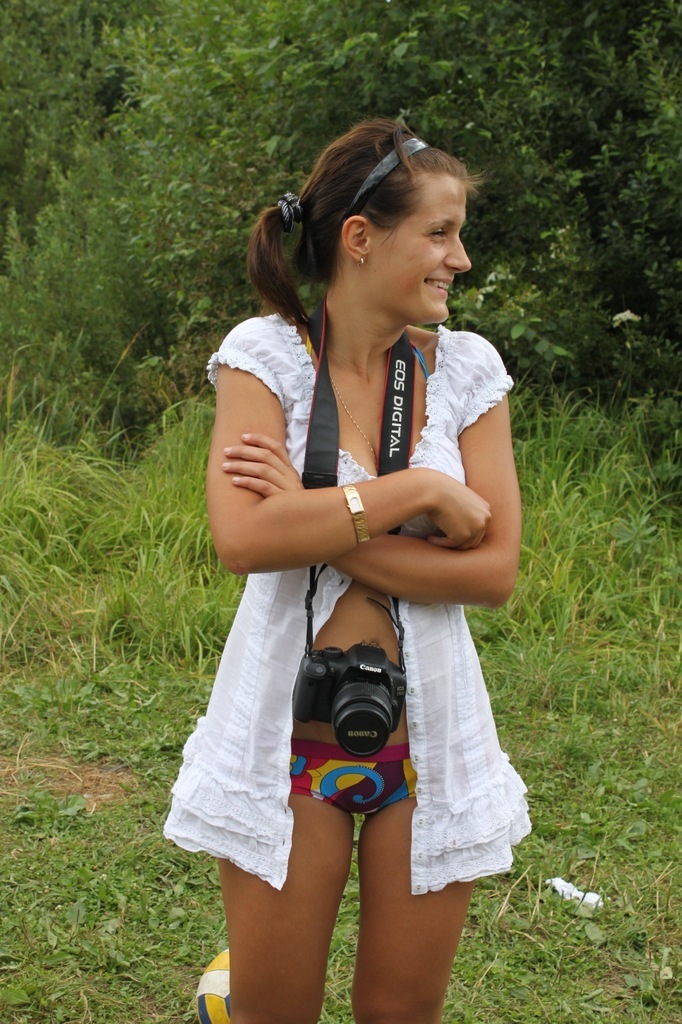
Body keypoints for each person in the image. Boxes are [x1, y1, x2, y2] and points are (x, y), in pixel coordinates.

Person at [164, 117, 530, 1024]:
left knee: (402, 1015)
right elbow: (244, 541)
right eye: (439, 233)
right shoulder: (266, 357)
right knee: (275, 1012)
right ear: (361, 238)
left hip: (430, 740)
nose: (461, 259)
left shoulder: (467, 370)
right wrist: (422, 491)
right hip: (286, 744)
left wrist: (311, 516)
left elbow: (494, 571)